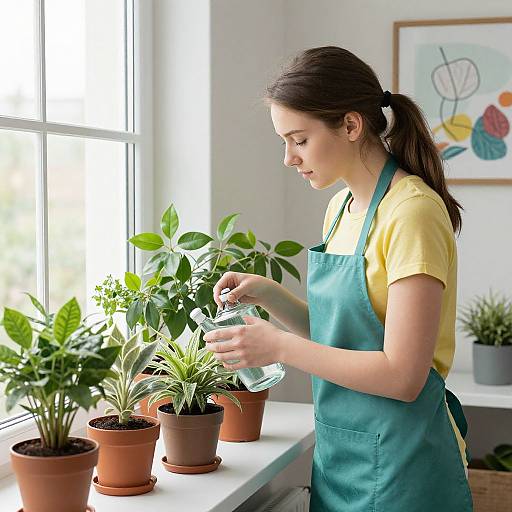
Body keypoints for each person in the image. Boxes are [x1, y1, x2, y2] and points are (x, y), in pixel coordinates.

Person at [203, 46, 473, 511]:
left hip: (404, 467)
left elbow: (403, 375)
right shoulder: (341, 208)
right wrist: (272, 296)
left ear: (351, 126)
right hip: (340, 458)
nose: (289, 158)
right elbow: (344, 339)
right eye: (284, 141)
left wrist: (278, 346)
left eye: (299, 139)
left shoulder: (412, 214)